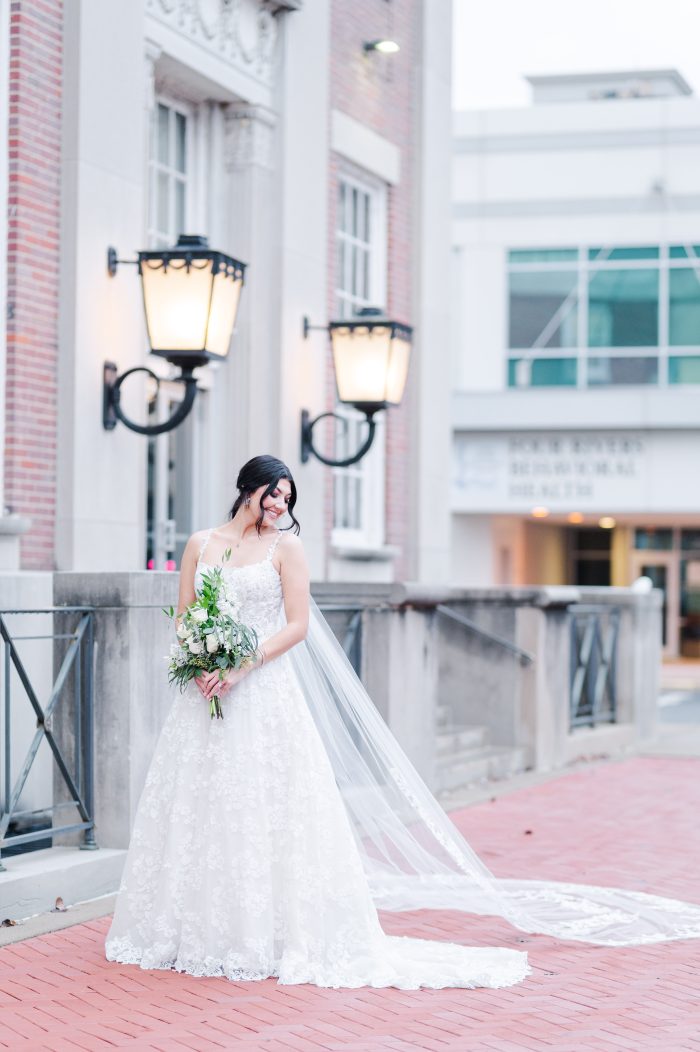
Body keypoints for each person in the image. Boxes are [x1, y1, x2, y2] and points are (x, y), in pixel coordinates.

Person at [106, 455, 700, 989]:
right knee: (202, 803)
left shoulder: (286, 548)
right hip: (203, 696)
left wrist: (239, 667)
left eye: (288, 497)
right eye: (273, 494)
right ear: (248, 489)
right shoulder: (201, 543)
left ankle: (263, 931)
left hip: (262, 692)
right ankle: (190, 927)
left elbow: (296, 626)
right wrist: (201, 663)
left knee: (265, 804)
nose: (281, 505)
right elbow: (185, 615)